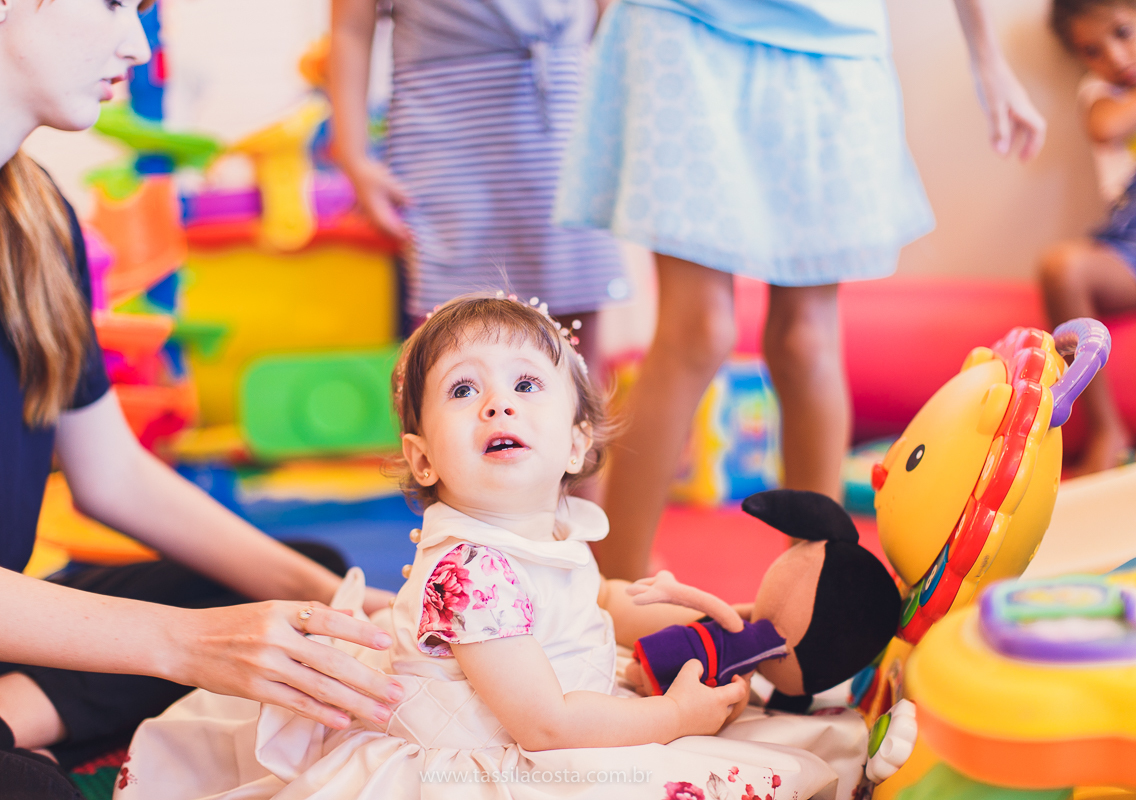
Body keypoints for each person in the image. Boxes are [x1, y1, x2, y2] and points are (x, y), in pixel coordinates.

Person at [118, 294, 869, 799]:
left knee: (781, 739)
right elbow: (545, 725)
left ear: (577, 442)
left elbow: (579, 603)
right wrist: (674, 720)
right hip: (488, 755)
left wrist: (640, 607)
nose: (498, 402)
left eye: (526, 385)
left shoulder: (547, 527)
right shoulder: (467, 570)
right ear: (422, 461)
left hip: (554, 708)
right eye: (462, 391)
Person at [0, 1, 403, 795]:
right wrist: (180, 645)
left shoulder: (36, 216)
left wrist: (344, 607)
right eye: (117, 3)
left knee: (295, 586)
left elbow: (112, 474)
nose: (136, 41)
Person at [553, 0, 1049, 580]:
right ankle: (614, 591)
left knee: (806, 340)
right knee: (696, 331)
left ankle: (815, 599)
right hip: (684, 25)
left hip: (834, 41)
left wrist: (988, 58)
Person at [328, 0, 626, 373]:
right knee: (455, 333)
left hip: (560, 119)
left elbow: (610, 19)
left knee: (572, 341)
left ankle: (573, 430)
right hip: (448, 134)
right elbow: (349, 30)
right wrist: (354, 157)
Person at [1040, 0, 1136, 475]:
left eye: (1123, 32)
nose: (1116, 57)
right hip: (1128, 245)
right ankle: (1105, 429)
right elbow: (1106, 127)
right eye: (1093, 50)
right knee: (1061, 266)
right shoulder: (1101, 94)